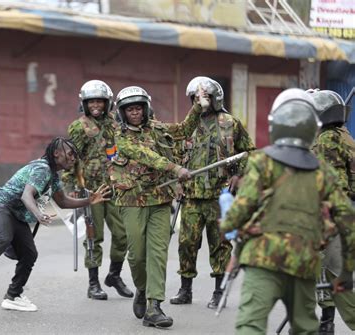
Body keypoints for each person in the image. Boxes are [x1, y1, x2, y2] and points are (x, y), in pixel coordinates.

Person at [220, 88, 355, 334]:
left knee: (251, 324)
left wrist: (229, 222)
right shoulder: (325, 171)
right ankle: (326, 320)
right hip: (304, 261)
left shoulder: (262, 163)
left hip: (262, 259)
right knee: (305, 327)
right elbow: (347, 221)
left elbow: (235, 218)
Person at [0, 137, 111, 311]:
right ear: (56, 153)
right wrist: (38, 214)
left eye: (75, 155)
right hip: (0, 205)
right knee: (4, 238)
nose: (73, 158)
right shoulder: (42, 169)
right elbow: (27, 195)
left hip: (16, 214)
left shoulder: (53, 175)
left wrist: (89, 200)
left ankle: (13, 295)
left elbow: (63, 202)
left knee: (29, 254)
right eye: (70, 153)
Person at [110, 86, 206, 327]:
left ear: (146, 109)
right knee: (137, 255)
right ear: (123, 112)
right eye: (130, 109)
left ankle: (154, 306)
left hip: (161, 200)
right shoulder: (121, 136)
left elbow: (184, 131)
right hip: (132, 201)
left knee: (158, 253)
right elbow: (144, 155)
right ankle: (141, 289)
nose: (135, 113)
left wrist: (196, 106)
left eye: (139, 108)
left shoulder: (159, 128)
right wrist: (175, 169)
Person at [170, 76, 255, 309]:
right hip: (192, 195)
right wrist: (176, 183)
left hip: (220, 194)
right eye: (196, 98)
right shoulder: (187, 125)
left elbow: (249, 152)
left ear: (215, 98)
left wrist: (238, 175)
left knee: (220, 244)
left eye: (204, 97)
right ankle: (185, 288)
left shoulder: (230, 123)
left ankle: (219, 291)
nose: (200, 101)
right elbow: (175, 157)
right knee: (187, 243)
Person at [65, 80, 132, 300]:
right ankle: (93, 284)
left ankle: (114, 275)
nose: (96, 105)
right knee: (95, 237)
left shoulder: (117, 123)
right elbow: (70, 158)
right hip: (90, 190)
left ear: (107, 103)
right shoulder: (79, 126)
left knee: (123, 236)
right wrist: (72, 187)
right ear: (84, 103)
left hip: (114, 188)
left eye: (99, 101)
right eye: (91, 101)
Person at [308, 89, 355, 334]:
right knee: (325, 272)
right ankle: (326, 324)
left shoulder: (326, 140)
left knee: (335, 276)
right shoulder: (343, 135)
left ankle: (330, 323)